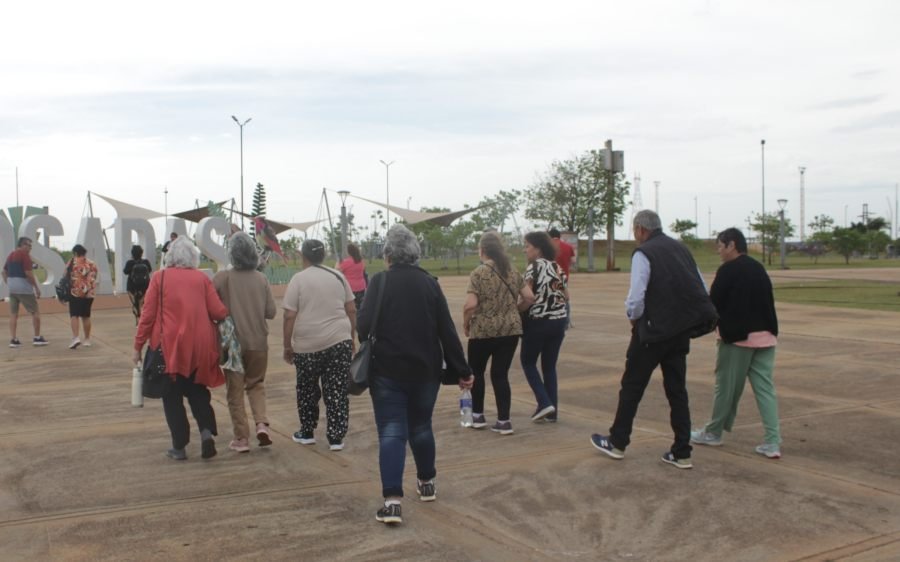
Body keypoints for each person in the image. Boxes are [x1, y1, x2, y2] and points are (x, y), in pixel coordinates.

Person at [358, 224, 472, 525]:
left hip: (387, 371)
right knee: (421, 426)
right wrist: (462, 370)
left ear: (388, 254)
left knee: (392, 431)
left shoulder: (379, 283)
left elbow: (362, 327)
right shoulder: (430, 283)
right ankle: (427, 483)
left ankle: (392, 502)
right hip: (426, 370)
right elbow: (446, 330)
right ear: (415, 253)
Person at [590, 210, 717, 470]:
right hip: (679, 332)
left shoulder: (644, 253)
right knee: (677, 391)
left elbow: (637, 296)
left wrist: (633, 317)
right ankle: (682, 451)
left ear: (640, 229)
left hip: (652, 332)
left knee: (632, 387)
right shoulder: (681, 250)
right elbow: (701, 288)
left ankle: (618, 441)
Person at [132, 236, 228, 461]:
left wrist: (137, 345)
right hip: (200, 346)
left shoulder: (159, 278)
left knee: (172, 395)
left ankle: (179, 445)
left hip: (169, 346)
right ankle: (206, 434)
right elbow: (219, 312)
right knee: (197, 391)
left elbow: (147, 316)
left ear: (170, 256)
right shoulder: (202, 279)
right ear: (193, 257)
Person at [691, 228, 782, 459]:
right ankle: (773, 442)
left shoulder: (728, 270)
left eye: (720, 246)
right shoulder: (758, 267)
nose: (719, 251)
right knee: (765, 390)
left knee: (726, 388)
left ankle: (713, 433)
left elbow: (713, 304)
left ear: (732, 245)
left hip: (737, 339)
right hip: (766, 338)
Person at [282, 239, 356, 452]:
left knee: (306, 388)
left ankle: (306, 432)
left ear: (303, 256)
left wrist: (287, 345)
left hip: (308, 344)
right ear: (323, 256)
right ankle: (336, 437)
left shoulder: (298, 279)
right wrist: (351, 336)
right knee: (337, 389)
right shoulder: (338, 276)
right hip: (338, 340)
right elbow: (351, 309)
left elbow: (289, 315)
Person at [463, 232, 534, 434]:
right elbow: (529, 297)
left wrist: (466, 323)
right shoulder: (512, 271)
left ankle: (477, 416)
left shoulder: (478, 273)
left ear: (483, 250)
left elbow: (471, 305)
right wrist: (513, 311)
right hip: (510, 330)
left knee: (477, 372)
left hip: (483, 330)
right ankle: (504, 420)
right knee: (500, 374)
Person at [214, 232, 277, 453]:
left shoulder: (222, 278)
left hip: (233, 344)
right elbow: (271, 312)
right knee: (257, 384)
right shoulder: (261, 279)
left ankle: (241, 438)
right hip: (259, 341)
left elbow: (210, 307)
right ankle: (261, 423)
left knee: (235, 391)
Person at [520, 231, 568, 422]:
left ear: (537, 248)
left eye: (527, 246)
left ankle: (544, 401)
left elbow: (528, 297)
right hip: (558, 322)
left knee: (528, 362)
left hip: (538, 322)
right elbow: (567, 295)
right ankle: (552, 411)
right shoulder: (558, 268)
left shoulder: (533, 268)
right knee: (549, 367)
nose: (525, 250)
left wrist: (517, 309)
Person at [3, 237, 48, 347]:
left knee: (13, 314)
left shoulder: (10, 255)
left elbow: (3, 272)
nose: (30, 248)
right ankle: (37, 338)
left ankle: (13, 340)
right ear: (23, 245)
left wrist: (9, 283)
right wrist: (36, 288)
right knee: (35, 312)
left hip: (12, 288)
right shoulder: (25, 255)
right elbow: (28, 273)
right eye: (29, 245)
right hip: (24, 288)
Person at [66, 244, 99, 349]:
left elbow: (65, 274)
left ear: (75, 253)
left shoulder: (72, 262)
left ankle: (75, 337)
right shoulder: (92, 263)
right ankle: (87, 339)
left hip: (75, 292)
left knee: (74, 315)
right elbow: (95, 276)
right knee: (86, 316)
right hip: (89, 293)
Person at [549, 228, 575, 328]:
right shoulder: (569, 246)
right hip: (564, 276)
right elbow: (573, 261)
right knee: (564, 298)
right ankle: (566, 321)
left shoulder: (549, 247)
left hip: (550, 276)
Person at [123, 245, 153, 323]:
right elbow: (149, 270)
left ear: (132, 253)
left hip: (132, 286)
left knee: (135, 303)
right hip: (145, 286)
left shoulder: (130, 262)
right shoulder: (146, 262)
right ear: (141, 253)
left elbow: (125, 271)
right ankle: (142, 318)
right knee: (141, 303)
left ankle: (138, 318)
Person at [337, 242, 367, 310]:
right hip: (361, 287)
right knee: (359, 307)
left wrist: (338, 262)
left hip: (350, 288)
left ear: (349, 252)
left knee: (350, 308)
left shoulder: (346, 262)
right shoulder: (361, 261)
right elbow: (363, 270)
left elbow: (337, 272)